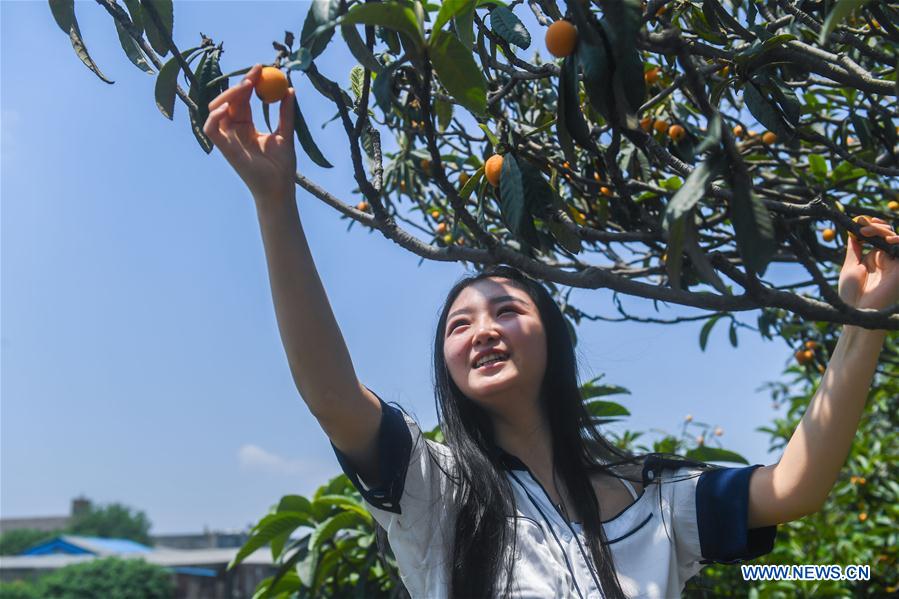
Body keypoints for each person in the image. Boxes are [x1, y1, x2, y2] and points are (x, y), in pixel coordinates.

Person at [202, 65, 899, 598]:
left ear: (553, 340)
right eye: (459, 323)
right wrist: (275, 203)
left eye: (508, 310)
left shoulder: (648, 497)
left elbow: (793, 487)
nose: (482, 330)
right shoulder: (434, 488)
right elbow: (329, 391)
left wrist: (862, 318)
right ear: (445, 362)